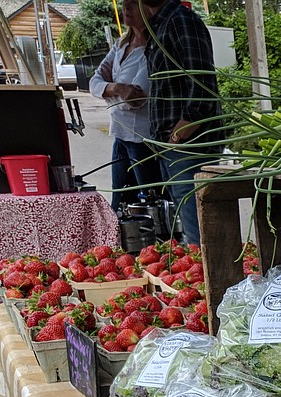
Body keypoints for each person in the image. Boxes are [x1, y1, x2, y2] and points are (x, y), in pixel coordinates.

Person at [139, 0, 221, 245]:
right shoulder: (159, 25)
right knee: (189, 224)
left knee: (198, 231)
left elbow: (203, 81)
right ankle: (200, 276)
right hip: (171, 143)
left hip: (190, 145)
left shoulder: (180, 20)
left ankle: (208, 280)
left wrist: (179, 134)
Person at [89, 0, 164, 212]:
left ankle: (163, 243)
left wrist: (108, 91)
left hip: (143, 138)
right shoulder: (121, 45)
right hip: (120, 135)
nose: (126, 9)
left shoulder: (153, 49)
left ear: (146, 7)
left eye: (132, 4)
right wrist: (118, 89)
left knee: (152, 202)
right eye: (123, 4)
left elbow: (135, 100)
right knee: (119, 201)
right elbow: (94, 81)